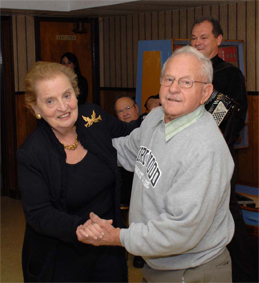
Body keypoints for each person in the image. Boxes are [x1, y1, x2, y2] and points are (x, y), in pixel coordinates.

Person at [76, 46, 235, 283]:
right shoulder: (155, 118)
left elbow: (180, 231)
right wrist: (73, 145)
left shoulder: (205, 150)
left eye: (186, 82)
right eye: (168, 79)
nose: (173, 88)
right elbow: (124, 150)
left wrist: (117, 237)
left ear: (206, 92)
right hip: (158, 262)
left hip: (192, 270)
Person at [17, 61, 140, 282]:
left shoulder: (92, 116)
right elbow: (38, 213)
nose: (63, 107)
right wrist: (81, 228)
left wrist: (163, 115)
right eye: (50, 101)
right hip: (62, 257)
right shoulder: (32, 153)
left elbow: (128, 130)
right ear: (36, 109)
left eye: (66, 95)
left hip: (108, 249)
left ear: (75, 93)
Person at [190, 17, 254, 283]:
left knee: (227, 214)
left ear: (219, 39)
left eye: (203, 37)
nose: (197, 43)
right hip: (191, 159)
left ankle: (246, 274)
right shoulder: (192, 72)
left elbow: (217, 120)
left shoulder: (228, 75)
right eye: (193, 38)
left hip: (218, 159)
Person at [114, 95, 145, 268]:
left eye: (128, 108)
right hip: (125, 184)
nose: (125, 114)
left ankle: (141, 251)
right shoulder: (115, 132)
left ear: (136, 109)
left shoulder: (148, 126)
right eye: (120, 111)